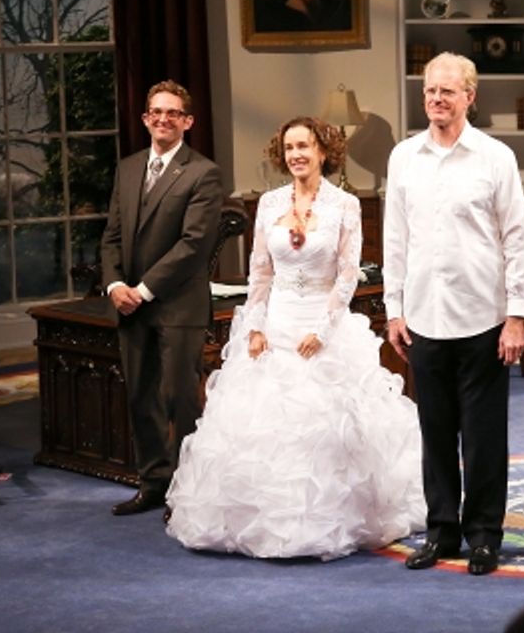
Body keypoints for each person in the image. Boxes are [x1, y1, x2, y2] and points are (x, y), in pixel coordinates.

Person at [165, 117, 425, 559]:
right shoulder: (267, 204)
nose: (296, 155)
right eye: (289, 147)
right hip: (275, 324)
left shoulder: (345, 204)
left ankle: (325, 522)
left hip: (322, 323)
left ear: (323, 151)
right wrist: (256, 327)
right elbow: (260, 273)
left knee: (326, 429)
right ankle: (260, 524)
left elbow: (347, 276)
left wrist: (322, 332)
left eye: (304, 145)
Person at [384, 51, 524, 576]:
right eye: (429, 90)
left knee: (485, 437)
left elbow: (517, 237)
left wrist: (516, 315)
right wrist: (394, 309)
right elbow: (395, 237)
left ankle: (485, 536)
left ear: (470, 96)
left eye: (447, 91)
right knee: (436, 433)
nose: (436, 99)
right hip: (424, 317)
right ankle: (443, 531)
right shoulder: (403, 157)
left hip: (484, 318)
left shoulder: (495, 157)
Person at [101, 79, 224, 517]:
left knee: (179, 400)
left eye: (173, 113)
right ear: (145, 118)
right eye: (156, 112)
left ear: (187, 122)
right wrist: (116, 285)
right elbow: (111, 236)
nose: (163, 119)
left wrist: (144, 290)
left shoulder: (202, 172)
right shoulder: (129, 168)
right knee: (141, 397)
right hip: (129, 305)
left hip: (177, 306)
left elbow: (193, 245)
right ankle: (153, 484)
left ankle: (187, 493)